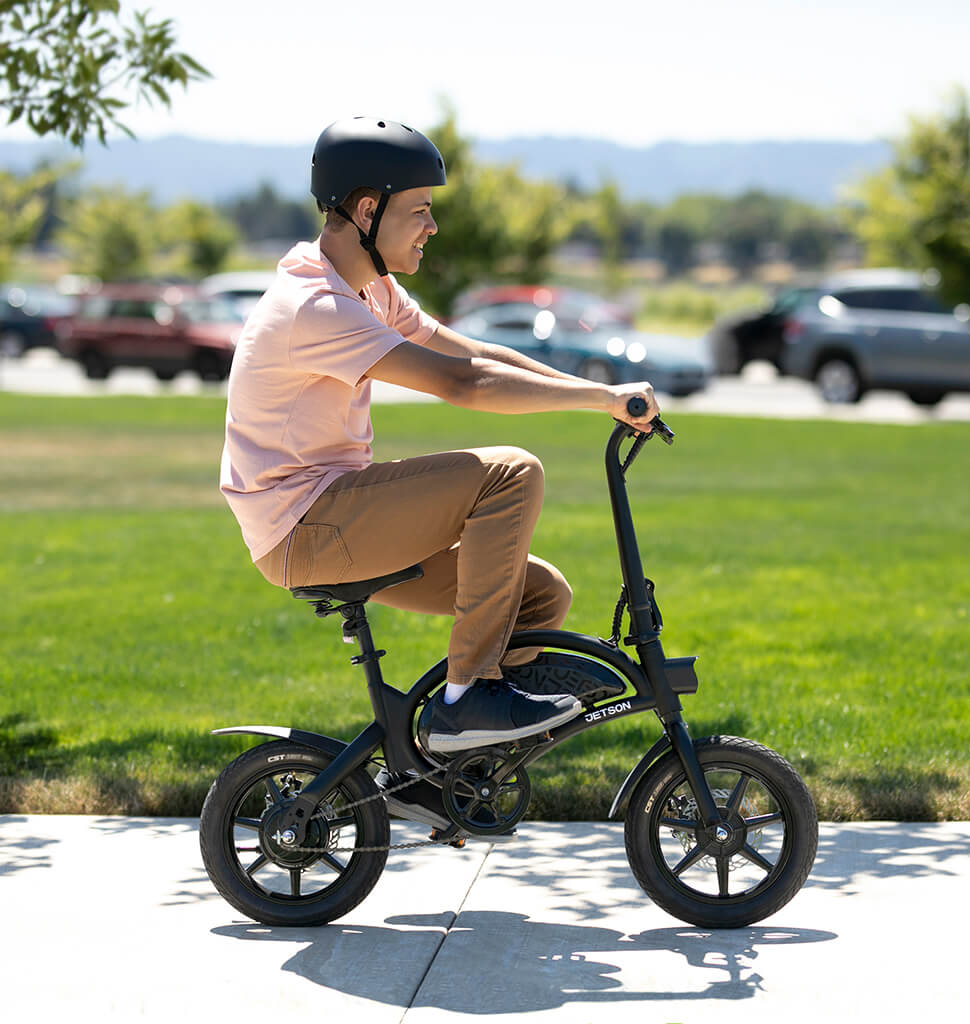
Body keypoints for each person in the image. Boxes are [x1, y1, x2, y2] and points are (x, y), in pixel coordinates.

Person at [220, 116, 659, 777]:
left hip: (334, 515)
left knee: (539, 595)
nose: (431, 226)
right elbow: (460, 381)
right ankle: (465, 702)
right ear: (368, 210)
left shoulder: (370, 289)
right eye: (419, 210)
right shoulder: (317, 305)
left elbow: (472, 349)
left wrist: (603, 391)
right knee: (511, 473)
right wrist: (598, 402)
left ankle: (464, 767)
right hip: (304, 526)